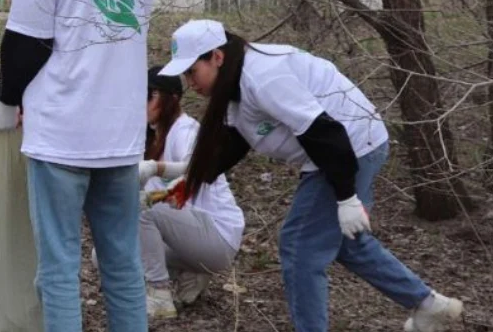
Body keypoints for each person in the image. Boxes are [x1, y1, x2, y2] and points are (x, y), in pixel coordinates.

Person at [158, 19, 464, 332]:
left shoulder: (262, 77)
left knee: (300, 246)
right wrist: (192, 181)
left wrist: (346, 197)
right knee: (346, 243)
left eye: (192, 71)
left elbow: (324, 132)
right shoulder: (234, 82)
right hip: (342, 149)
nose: (189, 82)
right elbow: (234, 141)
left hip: (349, 147)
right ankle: (428, 305)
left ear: (216, 57)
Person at [0, 0, 156, 332]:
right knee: (123, 266)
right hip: (122, 135)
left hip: (62, 134)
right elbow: (123, 31)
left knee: (59, 270)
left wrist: (6, 99)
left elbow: (28, 41)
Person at [135, 66, 244, 320]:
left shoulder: (186, 132)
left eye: (149, 96)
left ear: (172, 98)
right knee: (105, 256)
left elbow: (192, 173)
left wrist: (155, 169)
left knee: (143, 209)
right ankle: (192, 269)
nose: (141, 104)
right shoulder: (150, 140)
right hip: (187, 234)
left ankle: (159, 294)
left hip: (218, 234)